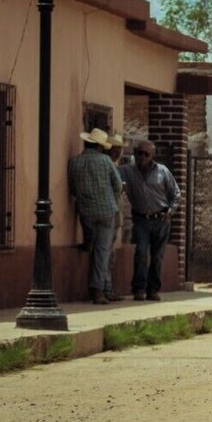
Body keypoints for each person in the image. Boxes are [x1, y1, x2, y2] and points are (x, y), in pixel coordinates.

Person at [119, 140, 181, 301]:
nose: (142, 157)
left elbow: (176, 194)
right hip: (141, 219)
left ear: (152, 156)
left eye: (146, 154)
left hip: (161, 219)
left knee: (157, 256)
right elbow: (113, 178)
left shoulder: (162, 171)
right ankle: (138, 289)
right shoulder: (127, 171)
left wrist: (170, 211)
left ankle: (153, 290)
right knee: (140, 253)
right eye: (139, 153)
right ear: (135, 153)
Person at [68, 128, 122, 305]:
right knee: (102, 251)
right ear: (100, 147)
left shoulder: (74, 162)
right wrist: (113, 203)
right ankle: (98, 290)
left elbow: (73, 188)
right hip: (106, 212)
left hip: (85, 211)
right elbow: (117, 185)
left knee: (93, 241)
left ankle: (88, 240)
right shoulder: (106, 161)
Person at [99, 132, 128, 302]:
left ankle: (107, 287)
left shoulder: (112, 165)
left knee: (107, 253)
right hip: (110, 212)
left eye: (120, 149)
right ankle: (105, 288)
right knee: (106, 253)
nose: (119, 152)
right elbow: (116, 188)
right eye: (116, 149)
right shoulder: (108, 165)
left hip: (113, 213)